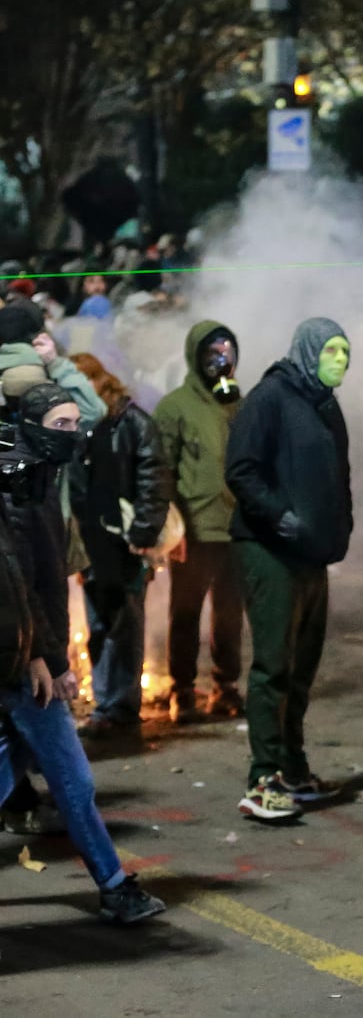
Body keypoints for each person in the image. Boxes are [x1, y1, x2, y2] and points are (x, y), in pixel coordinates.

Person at [0, 382, 167, 923]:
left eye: (77, 425)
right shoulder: (16, 491)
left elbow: (46, 583)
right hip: (23, 652)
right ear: (32, 426)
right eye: (62, 426)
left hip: (29, 648)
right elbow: (16, 588)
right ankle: (115, 886)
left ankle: (115, 887)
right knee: (74, 778)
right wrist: (44, 659)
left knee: (13, 759)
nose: (74, 435)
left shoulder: (41, 480)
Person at [226, 318, 353, 821]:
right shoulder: (271, 397)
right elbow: (241, 468)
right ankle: (262, 778)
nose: (341, 359)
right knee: (274, 665)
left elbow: (340, 475)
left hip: (311, 553)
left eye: (345, 351)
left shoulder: (325, 405)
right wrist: (280, 515)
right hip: (268, 549)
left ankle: (293, 769)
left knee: (302, 667)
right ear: (308, 351)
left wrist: (339, 528)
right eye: (333, 351)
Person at [69, 354, 171, 738]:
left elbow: (154, 480)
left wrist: (143, 534)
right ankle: (106, 702)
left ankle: (121, 708)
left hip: (125, 544)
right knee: (99, 623)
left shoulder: (133, 422)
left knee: (123, 623)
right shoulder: (81, 425)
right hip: (92, 542)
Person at [155, 321, 246, 723]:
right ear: (195, 355)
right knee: (186, 612)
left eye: (226, 351)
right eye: (211, 352)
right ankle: (183, 690)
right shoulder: (174, 407)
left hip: (236, 526)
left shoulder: (240, 405)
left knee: (230, 612)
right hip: (193, 528)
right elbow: (161, 471)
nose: (220, 359)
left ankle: (225, 687)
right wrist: (171, 528)